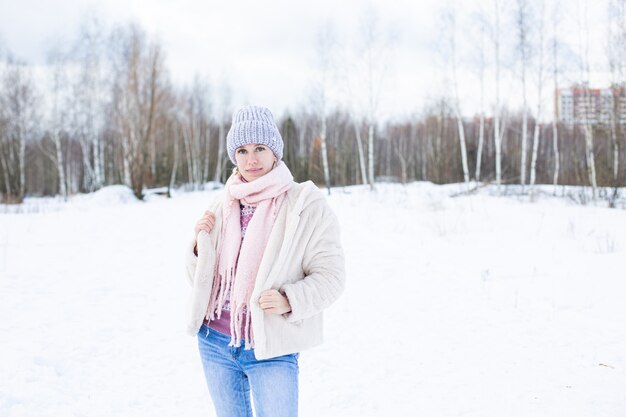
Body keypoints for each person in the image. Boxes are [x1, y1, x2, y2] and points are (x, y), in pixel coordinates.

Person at [184, 105, 346, 417]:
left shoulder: (304, 204)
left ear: (275, 151)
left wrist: (290, 299)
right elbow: (199, 280)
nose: (251, 159)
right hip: (215, 342)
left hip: (271, 348)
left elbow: (332, 276)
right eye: (242, 151)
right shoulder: (223, 202)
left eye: (260, 148)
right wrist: (197, 249)